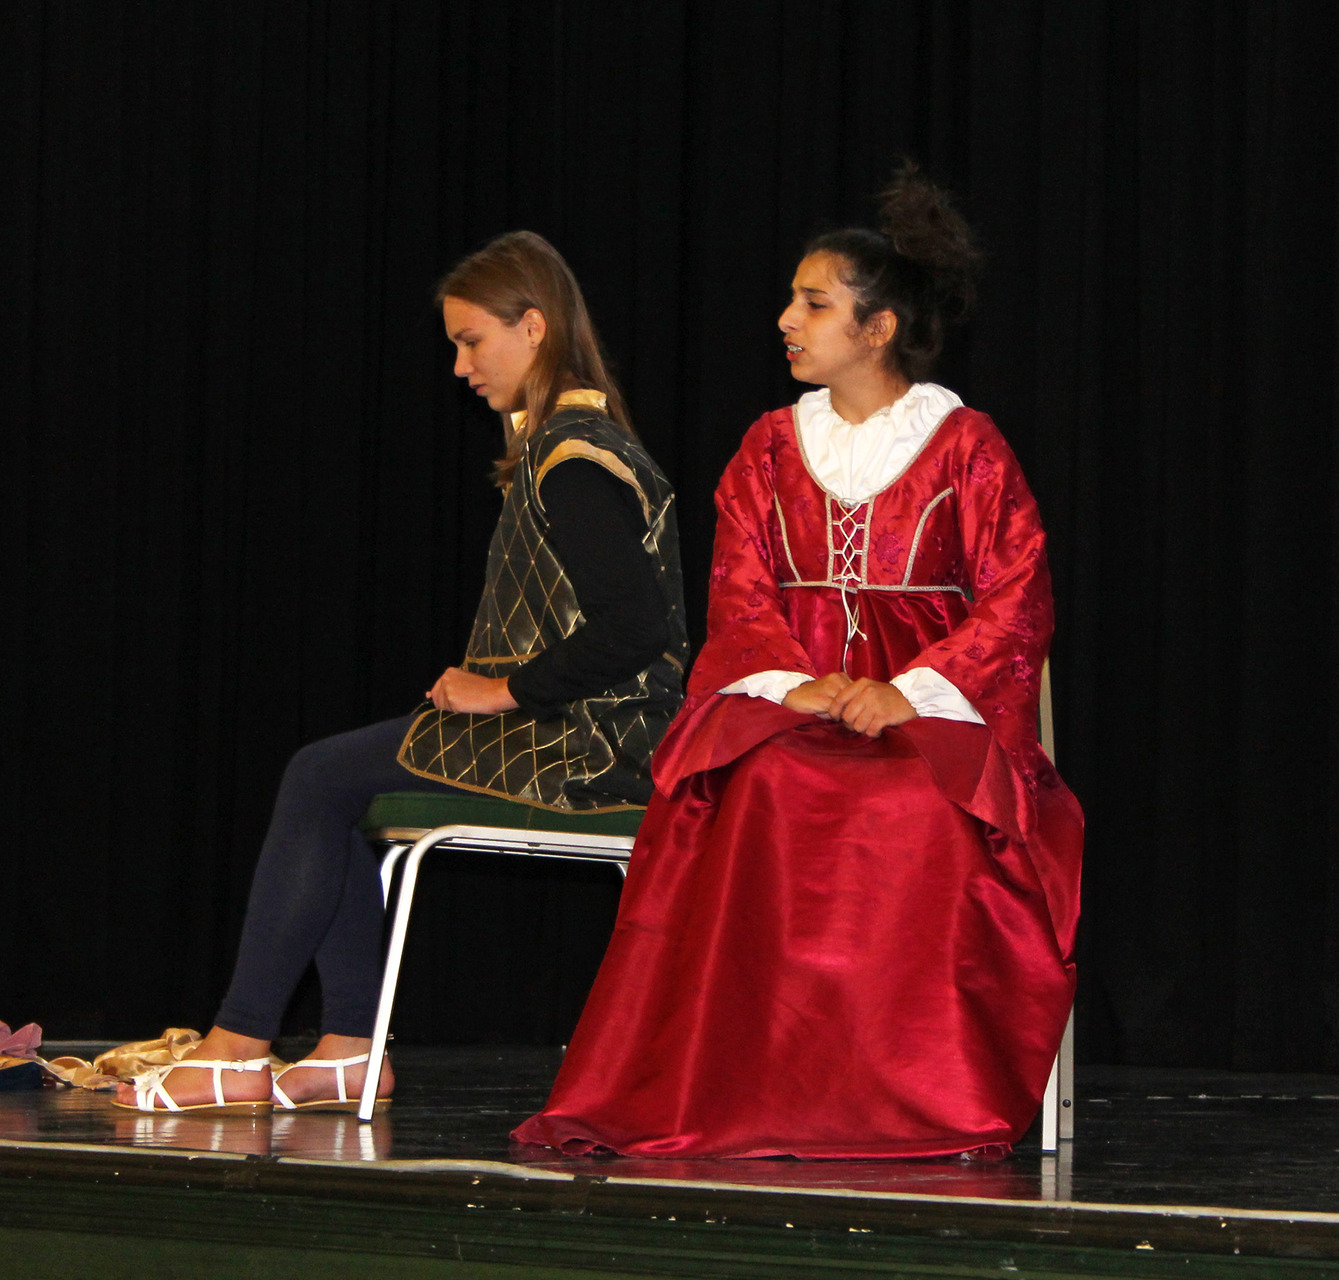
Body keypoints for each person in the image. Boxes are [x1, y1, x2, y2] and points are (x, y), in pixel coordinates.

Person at [514, 166, 1083, 1159]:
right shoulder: (769, 447)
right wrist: (795, 685)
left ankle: (905, 1091)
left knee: (916, 806)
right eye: (791, 299)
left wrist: (907, 693)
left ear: (877, 328)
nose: (785, 319)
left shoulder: (966, 447)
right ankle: (755, 1083)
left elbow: (1015, 597)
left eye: (813, 302)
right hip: (791, 692)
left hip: (933, 702)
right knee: (759, 789)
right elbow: (738, 590)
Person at [115, 230, 688, 1115]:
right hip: (570, 729)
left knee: (318, 777)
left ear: (533, 327)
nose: (461, 366)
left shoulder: (574, 457)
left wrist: (502, 690)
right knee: (335, 787)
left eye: (472, 341)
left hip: (589, 746)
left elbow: (636, 626)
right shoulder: (563, 444)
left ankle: (239, 1044)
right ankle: (349, 1049)